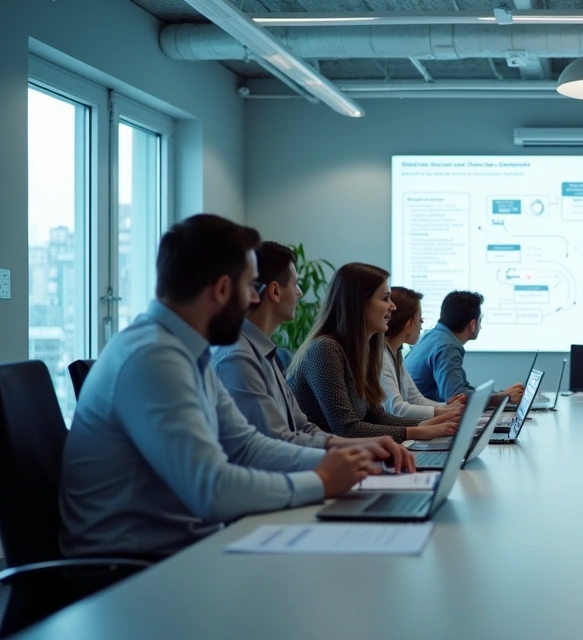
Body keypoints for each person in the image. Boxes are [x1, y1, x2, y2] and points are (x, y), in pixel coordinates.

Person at [60, 215, 397, 560]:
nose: (255, 297)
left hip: (182, 551)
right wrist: (323, 480)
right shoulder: (153, 358)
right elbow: (213, 489)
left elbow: (246, 447)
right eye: (251, 285)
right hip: (131, 573)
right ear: (222, 289)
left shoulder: (187, 352)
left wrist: (344, 461)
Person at [213, 241, 418, 466]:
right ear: (274, 291)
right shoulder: (238, 358)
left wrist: (363, 446)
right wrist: (345, 459)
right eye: (296, 284)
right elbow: (275, 445)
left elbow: (304, 428)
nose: (300, 293)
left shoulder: (264, 353)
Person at [287, 263, 460, 443]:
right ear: (359, 303)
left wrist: (425, 424)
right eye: (385, 299)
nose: (393, 307)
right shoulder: (324, 349)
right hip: (321, 463)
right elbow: (346, 429)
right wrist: (416, 431)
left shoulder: (361, 351)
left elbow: (377, 416)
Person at [405, 290, 524, 406]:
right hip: (423, 420)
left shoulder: (434, 336)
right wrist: (504, 398)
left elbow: (462, 389)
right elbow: (457, 397)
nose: (480, 327)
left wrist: (501, 394)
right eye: (480, 320)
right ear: (472, 325)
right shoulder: (447, 347)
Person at [381, 286, 466, 418]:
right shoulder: (381, 357)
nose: (422, 322)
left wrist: (447, 407)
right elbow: (396, 409)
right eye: (419, 317)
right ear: (409, 322)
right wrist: (446, 411)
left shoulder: (395, 353)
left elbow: (416, 400)